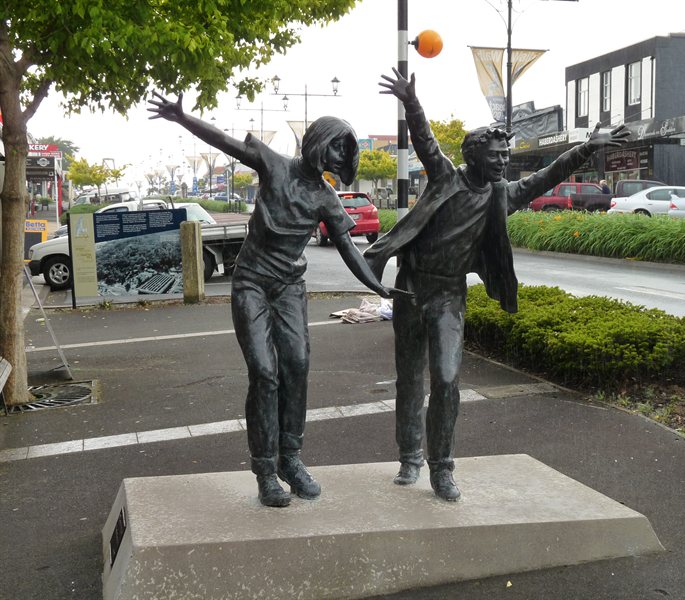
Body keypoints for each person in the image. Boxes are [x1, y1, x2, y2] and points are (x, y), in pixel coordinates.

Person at [364, 69, 630, 501]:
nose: (504, 161)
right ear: (474, 155)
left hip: (450, 294)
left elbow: (546, 177)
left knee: (447, 379)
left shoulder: (500, 195)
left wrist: (585, 149)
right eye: (497, 155)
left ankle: (442, 467)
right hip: (411, 288)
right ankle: (409, 456)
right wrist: (412, 102)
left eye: (506, 155)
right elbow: (425, 138)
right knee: (409, 378)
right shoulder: (446, 177)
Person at [148, 92, 409, 507]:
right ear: (319, 141)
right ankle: (265, 470)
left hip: (289, 287)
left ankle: (291, 458)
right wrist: (183, 118)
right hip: (251, 283)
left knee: (298, 366)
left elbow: (348, 249)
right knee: (265, 373)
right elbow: (226, 143)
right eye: (337, 145)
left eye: (347, 149)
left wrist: (377, 286)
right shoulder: (274, 165)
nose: (340, 155)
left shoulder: (325, 197)